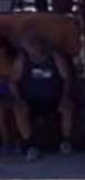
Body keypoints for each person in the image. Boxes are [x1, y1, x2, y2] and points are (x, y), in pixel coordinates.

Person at [10, 34, 75, 162]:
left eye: (35, 44)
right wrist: (18, 98)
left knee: (67, 107)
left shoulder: (54, 57)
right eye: (30, 45)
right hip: (31, 101)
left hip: (54, 99)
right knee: (19, 109)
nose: (33, 48)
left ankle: (66, 142)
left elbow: (66, 78)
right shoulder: (22, 60)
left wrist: (65, 96)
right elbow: (12, 81)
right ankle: (30, 146)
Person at [0, 36, 16, 153]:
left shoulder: (14, 61)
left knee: (15, 113)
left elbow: (16, 80)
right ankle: (6, 143)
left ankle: (17, 142)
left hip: (14, 94)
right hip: (1, 97)